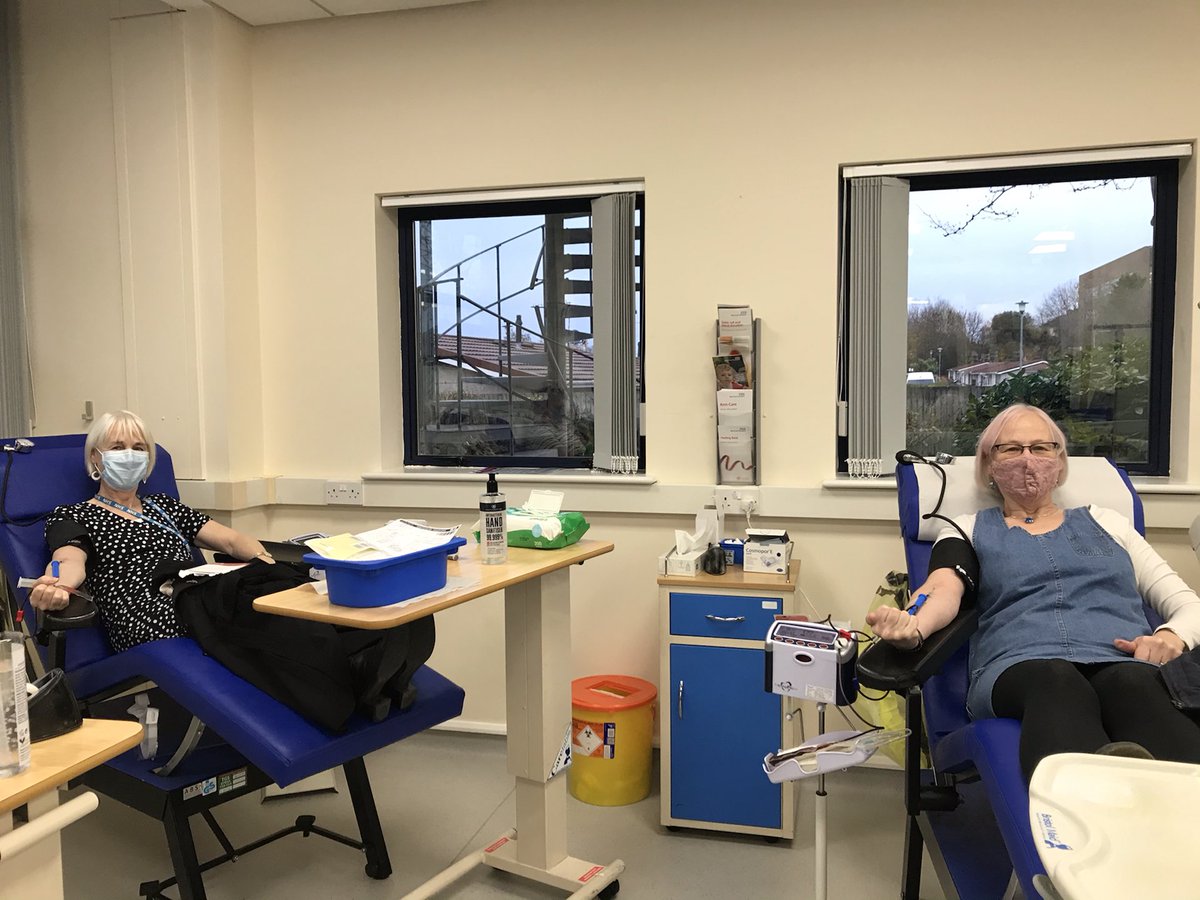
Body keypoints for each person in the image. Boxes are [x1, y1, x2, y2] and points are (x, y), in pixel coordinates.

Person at [868, 403, 1200, 780]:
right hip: (1018, 669)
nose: (1027, 459)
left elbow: (1189, 606)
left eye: (1041, 448)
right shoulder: (967, 529)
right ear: (988, 465)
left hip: (1120, 660)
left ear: (1060, 464)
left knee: (1134, 683)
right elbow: (942, 587)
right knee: (1056, 678)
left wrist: (1172, 635)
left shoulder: (1110, 523)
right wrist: (912, 625)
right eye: (1011, 449)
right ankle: (1085, 812)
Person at [29, 410, 275, 651]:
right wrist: (57, 587)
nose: (129, 455)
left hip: (193, 597)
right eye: (117, 447)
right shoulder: (74, 514)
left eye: (138, 448)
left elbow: (232, 541)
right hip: (143, 616)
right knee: (255, 616)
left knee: (271, 596)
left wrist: (266, 562)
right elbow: (68, 559)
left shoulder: (164, 506)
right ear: (95, 457)